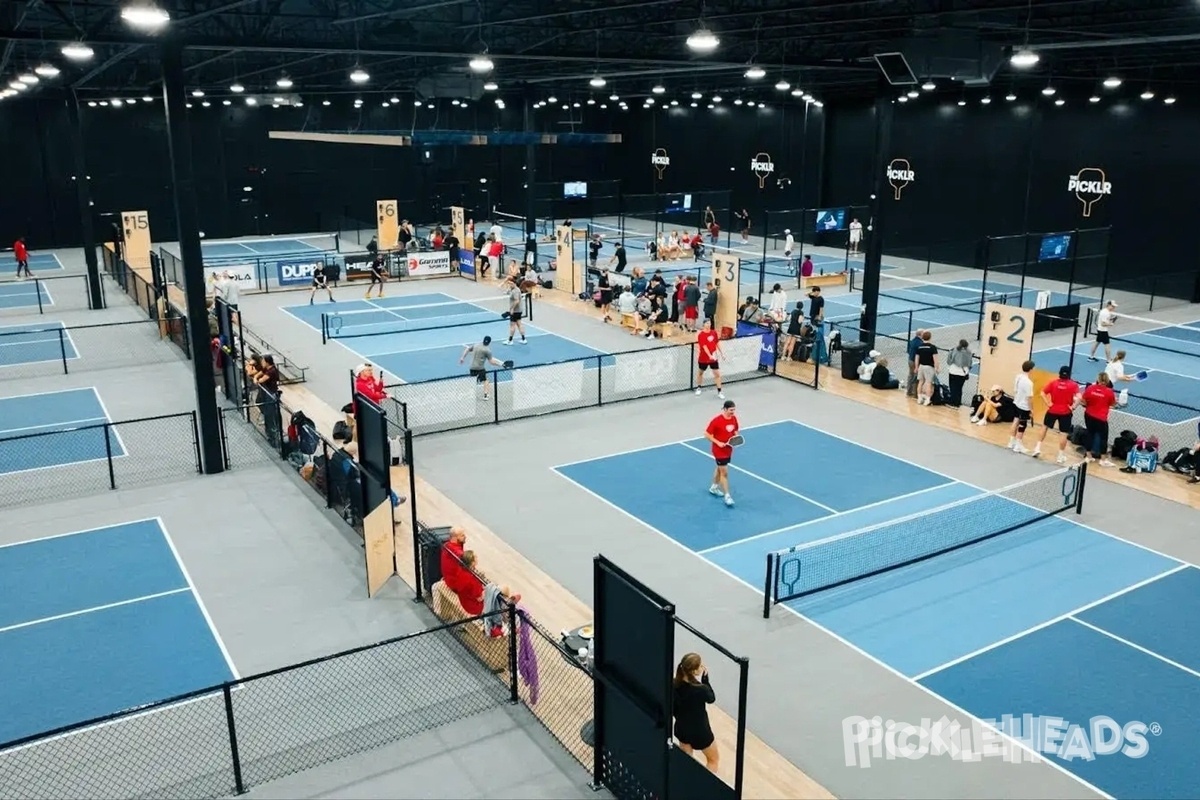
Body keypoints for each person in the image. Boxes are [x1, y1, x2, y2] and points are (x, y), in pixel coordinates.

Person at [672, 653, 719, 773]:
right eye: (699, 666)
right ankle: (706, 787)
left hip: (682, 729)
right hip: (700, 732)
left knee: (687, 762)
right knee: (713, 759)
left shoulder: (673, 684)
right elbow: (711, 698)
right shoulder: (700, 689)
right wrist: (706, 682)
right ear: (693, 671)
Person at [1033, 366, 1081, 464]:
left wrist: (1048, 403)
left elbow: (1042, 393)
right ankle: (1060, 456)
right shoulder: (1073, 385)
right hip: (1065, 412)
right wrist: (1073, 407)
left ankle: (1037, 448)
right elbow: (1079, 397)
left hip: (1052, 410)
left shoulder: (1053, 383)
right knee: (1063, 433)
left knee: (1044, 427)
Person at [704, 399, 739, 508]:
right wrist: (718, 443)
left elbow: (735, 430)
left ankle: (713, 487)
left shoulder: (733, 418)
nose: (733, 412)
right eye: (731, 410)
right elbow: (706, 434)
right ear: (725, 409)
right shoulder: (717, 421)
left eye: (734, 410)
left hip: (728, 449)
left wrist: (735, 438)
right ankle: (727, 496)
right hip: (719, 450)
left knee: (719, 469)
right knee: (724, 473)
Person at [1081, 372, 1119, 467]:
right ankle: (1103, 460)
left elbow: (1083, 401)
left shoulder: (1090, 388)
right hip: (1101, 418)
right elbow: (1113, 404)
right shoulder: (1109, 392)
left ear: (1098, 379)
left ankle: (1088, 456)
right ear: (1107, 381)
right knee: (1103, 438)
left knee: (1089, 434)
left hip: (1089, 415)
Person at [459, 335, 506, 400]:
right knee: (486, 380)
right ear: (489, 342)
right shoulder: (487, 350)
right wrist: (501, 365)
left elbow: (467, 349)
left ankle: (469, 394)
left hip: (472, 367)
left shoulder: (476, 345)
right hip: (480, 368)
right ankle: (486, 395)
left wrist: (462, 357)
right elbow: (491, 362)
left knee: (473, 381)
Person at [1008, 360, 1036, 454]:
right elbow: (1029, 398)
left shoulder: (1018, 377)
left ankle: (1011, 442)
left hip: (1016, 402)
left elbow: (1015, 390)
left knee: (1015, 421)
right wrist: (1031, 409)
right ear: (1031, 369)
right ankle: (1018, 445)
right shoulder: (1028, 382)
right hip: (1024, 406)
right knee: (1022, 425)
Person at [695, 319, 725, 399]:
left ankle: (719, 391)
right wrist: (709, 355)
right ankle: (698, 387)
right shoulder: (701, 335)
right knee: (700, 372)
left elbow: (717, 342)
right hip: (703, 358)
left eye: (710, 323)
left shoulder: (713, 333)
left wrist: (722, 353)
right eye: (707, 323)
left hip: (713, 357)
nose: (709, 325)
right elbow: (704, 347)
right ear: (704, 324)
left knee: (717, 374)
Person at [913, 330, 939, 406]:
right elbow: (935, 359)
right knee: (928, 383)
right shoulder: (932, 347)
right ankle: (927, 399)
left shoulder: (920, 347)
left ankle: (919, 398)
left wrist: (916, 367)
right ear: (930, 338)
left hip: (921, 366)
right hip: (929, 367)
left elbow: (917, 358)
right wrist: (937, 367)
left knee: (920, 382)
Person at [945, 340, 973, 407]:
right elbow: (970, 363)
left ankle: (953, 402)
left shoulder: (954, 350)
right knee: (959, 388)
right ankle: (958, 402)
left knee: (953, 387)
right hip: (963, 373)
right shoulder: (969, 352)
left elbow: (949, 361)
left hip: (953, 371)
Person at [504, 278, 528, 345]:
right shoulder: (513, 289)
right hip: (518, 311)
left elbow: (516, 301)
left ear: (514, 283)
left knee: (512, 325)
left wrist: (512, 309)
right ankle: (523, 339)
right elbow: (507, 292)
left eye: (511, 283)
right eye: (509, 283)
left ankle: (510, 340)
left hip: (515, 311)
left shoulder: (515, 291)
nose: (510, 285)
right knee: (519, 324)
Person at [905, 329, 925, 398]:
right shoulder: (920, 343)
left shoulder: (912, 341)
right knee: (916, 377)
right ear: (921, 334)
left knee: (910, 375)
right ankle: (915, 393)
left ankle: (909, 391)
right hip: (915, 361)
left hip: (910, 360)